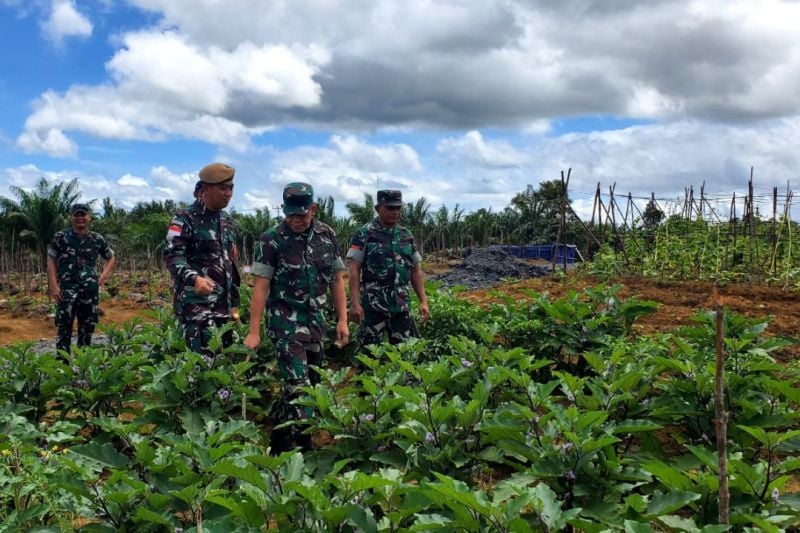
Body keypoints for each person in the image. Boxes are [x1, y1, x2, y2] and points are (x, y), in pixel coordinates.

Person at [244, 182, 348, 450]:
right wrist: (254, 330)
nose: (295, 220)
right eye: (289, 215)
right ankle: (304, 447)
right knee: (298, 387)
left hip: (317, 325)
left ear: (313, 209)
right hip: (286, 326)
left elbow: (337, 280)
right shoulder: (271, 239)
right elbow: (261, 286)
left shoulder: (327, 235)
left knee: (310, 384)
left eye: (300, 215)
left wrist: (343, 320)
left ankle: (278, 430)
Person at [164, 162, 241, 354]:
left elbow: (230, 265)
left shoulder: (226, 220)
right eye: (223, 188)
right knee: (201, 366)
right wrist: (194, 278)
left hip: (224, 308)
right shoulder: (184, 219)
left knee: (223, 364)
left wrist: (234, 304)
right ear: (205, 188)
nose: (228, 193)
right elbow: (172, 256)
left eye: (231, 188)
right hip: (197, 308)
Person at [347, 189, 429, 349]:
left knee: (404, 353)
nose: (395, 212)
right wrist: (355, 303)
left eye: (398, 208)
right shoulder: (364, 234)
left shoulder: (406, 235)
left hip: (401, 306)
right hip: (373, 306)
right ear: (378, 209)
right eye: (390, 208)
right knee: (369, 354)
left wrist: (423, 301)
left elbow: (416, 270)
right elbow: (354, 270)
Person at [47, 203, 116, 355]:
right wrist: (54, 286)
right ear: (71, 217)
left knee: (87, 329)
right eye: (76, 215)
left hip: (89, 291)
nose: (80, 218)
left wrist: (102, 277)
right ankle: (62, 366)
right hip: (66, 289)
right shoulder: (61, 237)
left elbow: (110, 257)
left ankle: (83, 366)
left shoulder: (96, 238)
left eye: (83, 215)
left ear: (89, 217)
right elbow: (51, 260)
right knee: (64, 327)